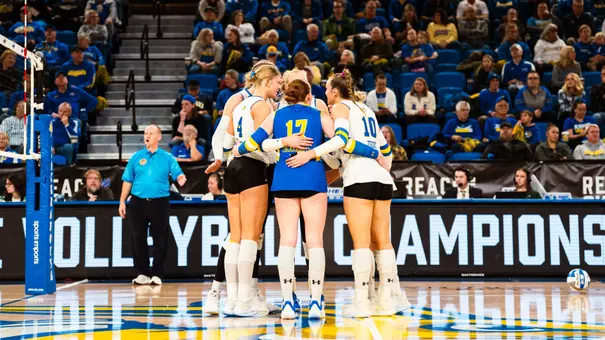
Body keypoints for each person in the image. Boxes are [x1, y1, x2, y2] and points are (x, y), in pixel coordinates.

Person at [286, 71, 410, 317]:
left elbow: (341, 139)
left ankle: (361, 302)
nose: (325, 92)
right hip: (382, 179)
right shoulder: (366, 109)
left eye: (327, 87)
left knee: (362, 242)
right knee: (382, 242)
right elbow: (385, 151)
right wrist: (373, 165)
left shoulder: (341, 107)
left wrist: (311, 154)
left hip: (359, 178)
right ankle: (386, 299)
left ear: (334, 91)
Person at [234, 79, 332, 319]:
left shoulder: (276, 114)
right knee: (315, 240)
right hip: (312, 176)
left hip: (284, 178)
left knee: (287, 241)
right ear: (309, 96)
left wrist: (281, 143)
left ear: (287, 95)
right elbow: (340, 140)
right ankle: (316, 303)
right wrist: (312, 153)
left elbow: (250, 143)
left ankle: (288, 302)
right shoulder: (319, 113)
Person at [203, 61, 281, 316]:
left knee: (234, 237)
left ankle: (233, 300)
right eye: (277, 82)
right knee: (251, 235)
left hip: (232, 170)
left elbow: (226, 142)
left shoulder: (238, 106)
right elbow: (263, 143)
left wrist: (221, 157)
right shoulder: (262, 105)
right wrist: (286, 143)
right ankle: (245, 299)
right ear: (267, 82)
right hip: (252, 168)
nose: (279, 87)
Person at [118, 125, 187, 286]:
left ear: (159, 137)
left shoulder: (167, 157)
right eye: (145, 133)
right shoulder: (136, 157)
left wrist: (181, 177)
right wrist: (122, 201)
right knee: (138, 237)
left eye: (150, 133)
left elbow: (177, 172)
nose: (147, 136)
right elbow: (127, 179)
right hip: (138, 201)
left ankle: (157, 273)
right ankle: (142, 272)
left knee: (160, 237)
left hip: (160, 202)